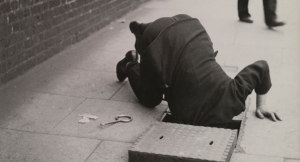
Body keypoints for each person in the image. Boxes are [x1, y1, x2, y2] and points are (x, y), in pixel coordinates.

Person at [116, 14, 281, 128]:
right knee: (151, 99)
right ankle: (130, 63)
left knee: (180, 47)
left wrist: (262, 104)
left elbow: (262, 67)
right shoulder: (186, 117)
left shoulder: (234, 94)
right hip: (159, 39)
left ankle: (142, 30)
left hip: (190, 25)